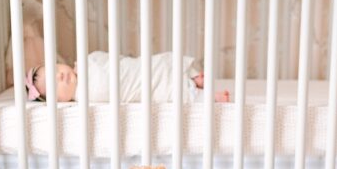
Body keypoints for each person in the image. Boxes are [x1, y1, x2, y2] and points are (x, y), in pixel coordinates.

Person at [24, 51, 229, 103]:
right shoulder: (88, 93)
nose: (60, 75)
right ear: (59, 101)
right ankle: (208, 96)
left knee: (161, 64)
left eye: (55, 70)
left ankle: (191, 80)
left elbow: (118, 60)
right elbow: (109, 83)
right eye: (54, 83)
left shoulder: (85, 60)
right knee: (164, 88)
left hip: (137, 67)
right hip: (140, 84)